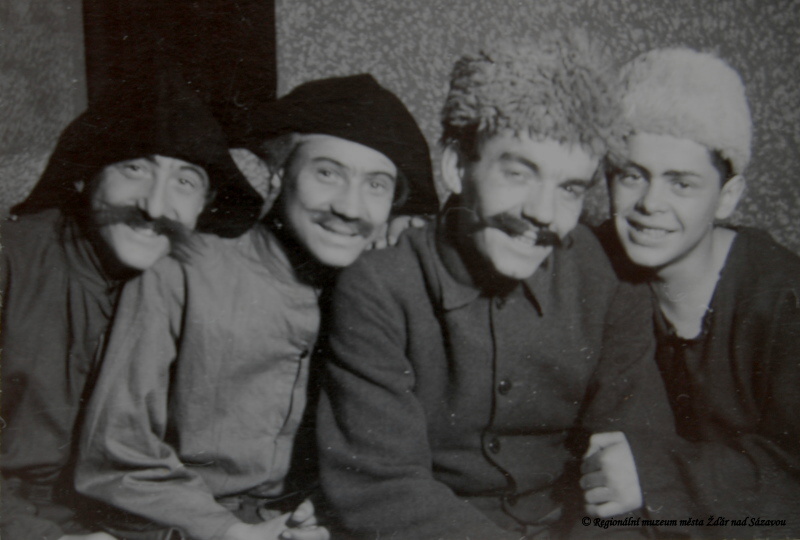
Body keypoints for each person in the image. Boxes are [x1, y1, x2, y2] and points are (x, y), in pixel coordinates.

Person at [315, 33, 676, 540]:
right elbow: (382, 487)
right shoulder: (379, 285)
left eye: (569, 188)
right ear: (456, 166)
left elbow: (628, 470)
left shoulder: (610, 281)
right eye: (519, 173)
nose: (544, 214)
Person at [75, 74, 437, 540]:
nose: (350, 207)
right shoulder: (182, 271)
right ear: (279, 173)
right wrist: (229, 531)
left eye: (377, 185)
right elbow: (115, 457)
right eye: (327, 174)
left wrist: (323, 513)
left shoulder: (385, 293)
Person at [0, 69, 262, 540]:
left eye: (185, 181)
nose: (155, 206)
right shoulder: (10, 261)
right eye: (135, 169)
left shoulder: (191, 279)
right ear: (84, 174)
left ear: (205, 204)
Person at [593, 47, 800, 538]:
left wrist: (659, 476)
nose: (650, 204)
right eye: (632, 176)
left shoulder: (783, 298)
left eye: (681, 184)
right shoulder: (593, 264)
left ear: (727, 197)